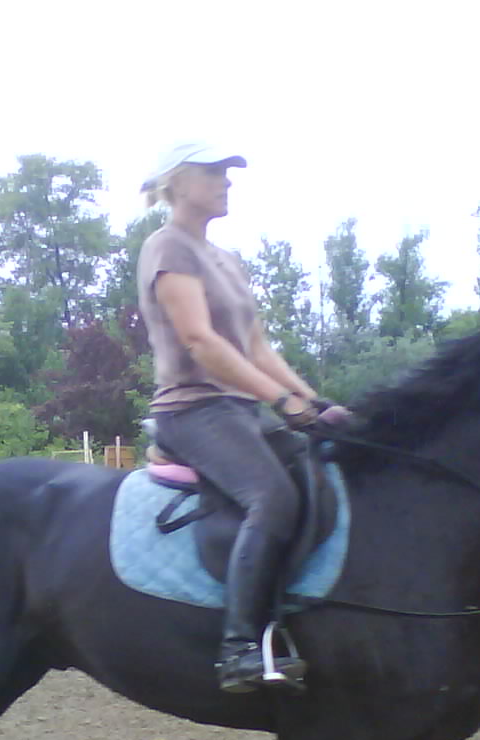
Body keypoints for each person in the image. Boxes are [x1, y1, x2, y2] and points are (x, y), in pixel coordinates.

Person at [136, 142, 341, 694]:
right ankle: (239, 650)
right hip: (192, 408)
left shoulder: (226, 259)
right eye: (213, 172)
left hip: (241, 408)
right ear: (178, 182)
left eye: (227, 172)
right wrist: (281, 402)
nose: (226, 181)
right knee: (271, 497)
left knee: (326, 467)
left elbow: (257, 348)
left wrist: (314, 402)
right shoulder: (168, 247)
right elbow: (200, 342)